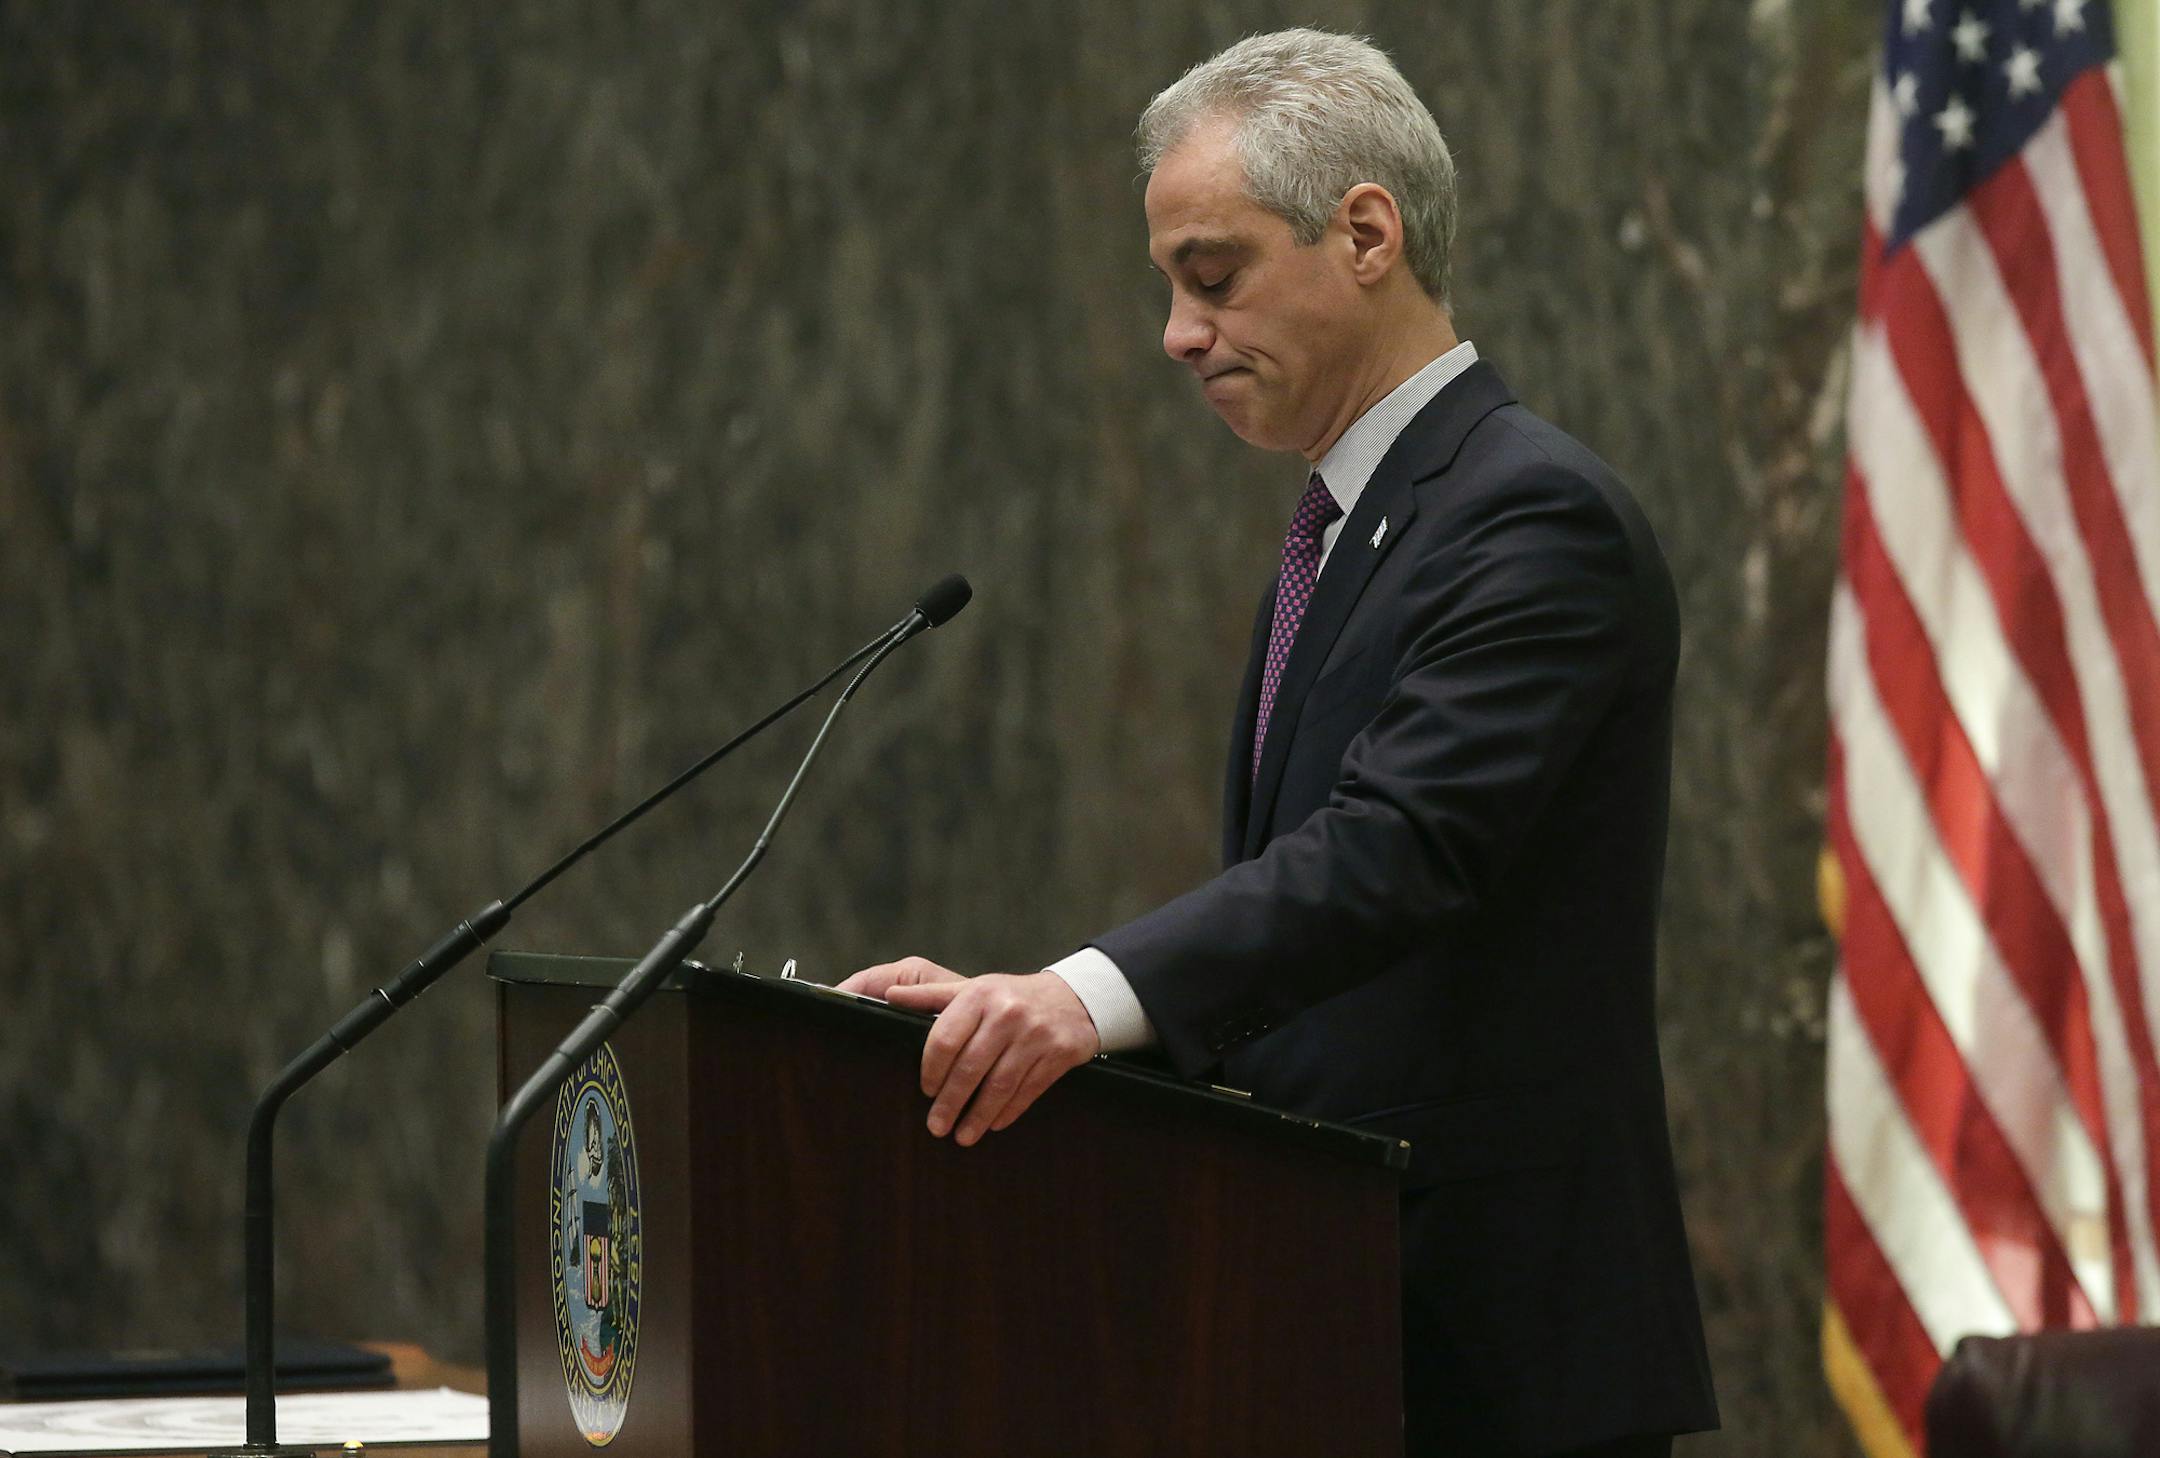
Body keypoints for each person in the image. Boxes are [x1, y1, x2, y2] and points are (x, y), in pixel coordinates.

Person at [840, 28, 1717, 1458]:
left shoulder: (1530, 516)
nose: (1177, 333)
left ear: (1365, 232)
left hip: (1497, 1359)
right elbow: (1311, 995)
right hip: (1326, 1319)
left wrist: (1081, 996)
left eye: (1213, 273)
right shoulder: (1355, 525)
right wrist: (1043, 1033)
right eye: (1170, 285)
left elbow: (1393, 852)